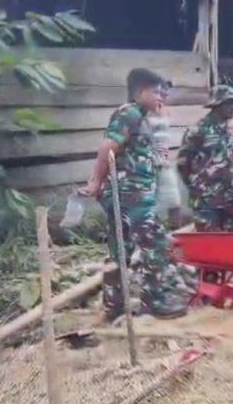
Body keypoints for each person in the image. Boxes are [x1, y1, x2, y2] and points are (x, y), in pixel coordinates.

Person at [80, 68, 187, 321]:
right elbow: (108, 146)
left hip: (130, 195)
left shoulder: (140, 116)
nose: (161, 96)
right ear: (140, 92)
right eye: (156, 92)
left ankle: (114, 303)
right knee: (156, 243)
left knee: (120, 250)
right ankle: (155, 301)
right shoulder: (129, 113)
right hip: (131, 195)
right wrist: (95, 181)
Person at [177, 85, 233, 232]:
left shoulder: (232, 130)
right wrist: (199, 187)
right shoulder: (198, 130)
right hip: (208, 201)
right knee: (209, 244)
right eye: (229, 103)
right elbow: (183, 164)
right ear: (217, 105)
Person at [149, 81, 183, 230]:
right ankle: (151, 237)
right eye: (160, 92)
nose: (163, 96)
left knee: (174, 202)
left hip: (164, 162)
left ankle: (176, 235)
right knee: (150, 204)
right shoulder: (142, 113)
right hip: (149, 163)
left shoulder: (163, 111)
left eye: (165, 93)